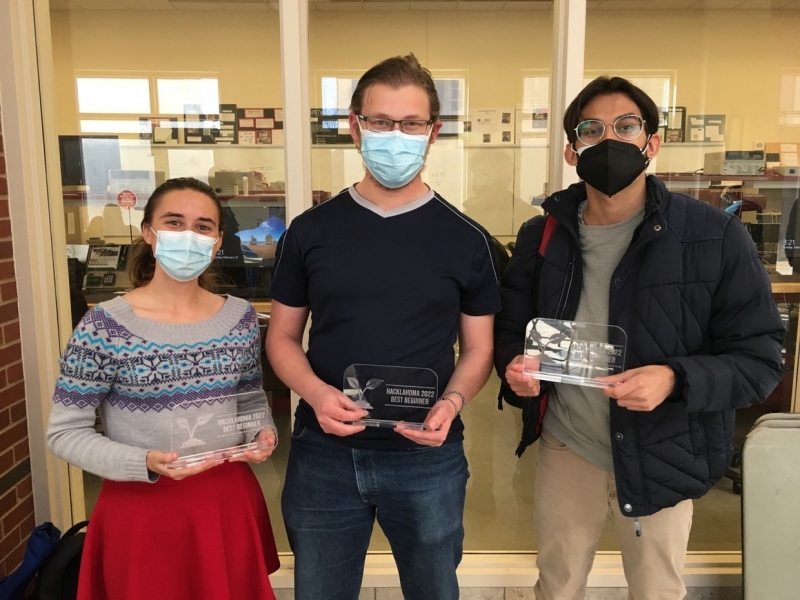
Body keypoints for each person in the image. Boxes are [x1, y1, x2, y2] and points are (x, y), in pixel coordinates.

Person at [494, 77, 785, 600]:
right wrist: (516, 370)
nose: (610, 140)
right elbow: (513, 329)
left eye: (626, 126)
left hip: (664, 448)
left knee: (656, 589)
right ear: (571, 149)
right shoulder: (544, 235)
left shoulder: (712, 237)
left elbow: (760, 359)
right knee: (556, 585)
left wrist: (675, 378)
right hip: (569, 446)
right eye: (591, 129)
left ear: (652, 142)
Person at [266, 53, 501, 600]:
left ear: (432, 132)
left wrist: (452, 404)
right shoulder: (309, 232)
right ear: (355, 126)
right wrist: (316, 394)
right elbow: (281, 337)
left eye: (411, 123)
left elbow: (478, 349)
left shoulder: (468, 240)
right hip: (324, 453)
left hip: (427, 457)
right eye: (380, 121)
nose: (396, 135)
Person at [47, 177, 280, 600]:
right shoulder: (104, 327)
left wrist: (261, 433)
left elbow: (250, 398)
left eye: (203, 226)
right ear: (149, 233)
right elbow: (64, 432)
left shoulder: (240, 319)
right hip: (141, 510)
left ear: (217, 240)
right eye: (174, 222)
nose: (188, 235)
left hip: (226, 503)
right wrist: (143, 461)